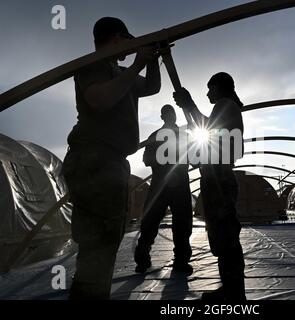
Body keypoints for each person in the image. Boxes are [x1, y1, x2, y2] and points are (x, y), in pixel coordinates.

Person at [61, 17, 161, 299]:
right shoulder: (92, 65)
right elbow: (100, 100)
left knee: (105, 243)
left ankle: (90, 293)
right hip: (94, 160)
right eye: (129, 41)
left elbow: (152, 86)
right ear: (117, 38)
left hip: (110, 162)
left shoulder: (119, 72)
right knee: (98, 244)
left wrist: (153, 58)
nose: (131, 47)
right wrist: (138, 64)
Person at [173, 72, 246, 301]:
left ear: (219, 87)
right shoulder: (229, 107)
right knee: (223, 233)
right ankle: (231, 288)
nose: (207, 93)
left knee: (225, 233)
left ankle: (233, 292)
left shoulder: (226, 104)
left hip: (219, 179)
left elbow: (209, 128)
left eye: (210, 88)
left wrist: (190, 104)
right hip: (218, 176)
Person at [134, 105, 193, 274]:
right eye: (168, 114)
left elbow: (194, 156)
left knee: (179, 223)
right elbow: (147, 159)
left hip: (170, 184)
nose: (170, 117)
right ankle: (144, 260)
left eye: (171, 114)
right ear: (163, 117)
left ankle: (178, 261)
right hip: (164, 184)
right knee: (151, 222)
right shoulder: (171, 136)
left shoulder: (177, 136)